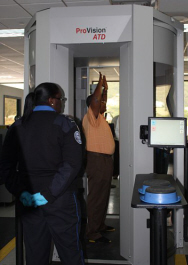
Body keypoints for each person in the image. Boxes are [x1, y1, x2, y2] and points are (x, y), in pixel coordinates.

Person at [0, 83, 85, 265]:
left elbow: (5, 166)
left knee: (35, 255)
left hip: (28, 201)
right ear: (51, 100)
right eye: (61, 99)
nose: (62, 103)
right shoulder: (65, 124)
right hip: (60, 201)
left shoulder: (17, 126)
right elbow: (72, 164)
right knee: (71, 254)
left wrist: (21, 193)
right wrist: (46, 195)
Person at [82, 73, 115, 243]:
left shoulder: (100, 117)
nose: (103, 103)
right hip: (96, 160)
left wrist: (105, 91)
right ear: (92, 105)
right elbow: (95, 101)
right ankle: (92, 232)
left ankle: (100, 225)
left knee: (103, 195)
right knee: (96, 196)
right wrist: (100, 86)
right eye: (100, 102)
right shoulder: (91, 116)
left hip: (105, 160)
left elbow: (101, 102)